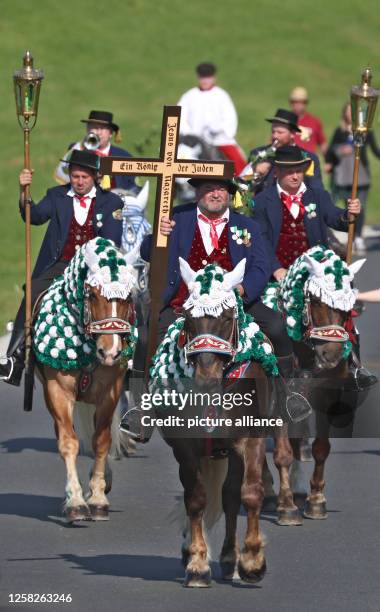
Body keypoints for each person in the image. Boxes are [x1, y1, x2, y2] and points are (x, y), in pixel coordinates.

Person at [136, 177, 312, 420]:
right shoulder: (177, 217)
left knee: (276, 326)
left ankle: (288, 394)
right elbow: (146, 253)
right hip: (185, 304)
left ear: (230, 195)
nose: (215, 194)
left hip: (233, 303)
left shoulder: (247, 225)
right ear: (197, 193)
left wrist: (243, 288)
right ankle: (141, 408)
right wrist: (158, 234)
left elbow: (261, 267)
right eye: (208, 189)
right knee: (146, 337)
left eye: (221, 189)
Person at [252, 145, 376, 390]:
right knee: (274, 317)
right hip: (279, 273)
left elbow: (334, 218)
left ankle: (354, 364)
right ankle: (280, 370)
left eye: (299, 170)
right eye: (290, 171)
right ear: (277, 172)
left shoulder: (318, 195)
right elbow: (261, 241)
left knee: (342, 305)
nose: (296, 176)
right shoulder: (262, 202)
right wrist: (276, 269)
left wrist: (348, 214)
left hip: (315, 270)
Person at [0, 150, 124, 387]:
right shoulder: (56, 196)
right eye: (75, 177)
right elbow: (34, 216)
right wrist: (23, 191)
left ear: (95, 177)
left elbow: (112, 242)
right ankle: (15, 358)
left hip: (94, 268)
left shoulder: (112, 203)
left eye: (84, 178)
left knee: (121, 298)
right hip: (60, 265)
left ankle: (127, 358)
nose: (78, 182)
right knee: (33, 293)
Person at [325, 102, 380, 255]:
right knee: (348, 207)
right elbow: (330, 151)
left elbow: (376, 150)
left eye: (353, 111)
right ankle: (351, 233)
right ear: (344, 114)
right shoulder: (340, 132)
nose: (351, 114)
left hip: (361, 175)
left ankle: (359, 236)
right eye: (349, 111)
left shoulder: (365, 132)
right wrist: (332, 159)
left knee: (360, 206)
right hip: (343, 176)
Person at [177, 63, 247, 175]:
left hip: (219, 139)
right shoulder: (189, 96)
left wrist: (219, 130)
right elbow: (180, 117)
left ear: (214, 78)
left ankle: (245, 184)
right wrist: (189, 133)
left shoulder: (221, 95)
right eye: (202, 77)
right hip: (194, 139)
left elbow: (229, 118)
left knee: (238, 162)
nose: (205, 81)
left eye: (208, 77)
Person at [54, 110, 139, 193]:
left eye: (103, 128)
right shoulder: (77, 150)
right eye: (94, 127)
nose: (98, 132)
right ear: (87, 129)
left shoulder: (124, 156)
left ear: (111, 133)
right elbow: (66, 178)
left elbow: (132, 188)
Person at [245, 109, 324, 195]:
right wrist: (256, 175)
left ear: (292, 133)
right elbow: (243, 188)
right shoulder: (258, 154)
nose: (275, 136)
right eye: (273, 131)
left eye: (280, 132)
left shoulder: (308, 158)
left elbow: (317, 190)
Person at [289, 87, 328, 156]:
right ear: (291, 103)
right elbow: (274, 141)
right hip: (289, 161)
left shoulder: (314, 122)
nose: (298, 105)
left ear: (306, 103)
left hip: (309, 162)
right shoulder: (285, 121)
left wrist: (329, 161)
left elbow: (323, 144)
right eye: (295, 102)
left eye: (301, 102)